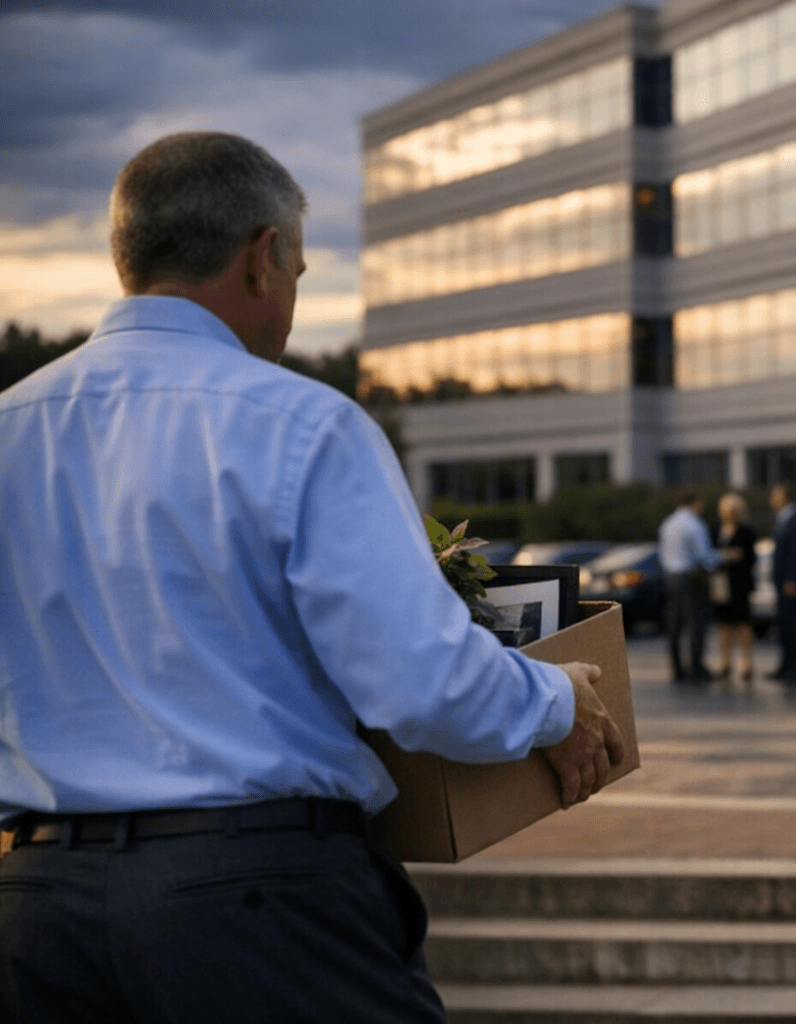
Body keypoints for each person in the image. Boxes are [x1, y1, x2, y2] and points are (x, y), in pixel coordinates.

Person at [0, 132, 624, 1024]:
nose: (292, 301)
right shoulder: (299, 425)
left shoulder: (12, 428)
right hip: (256, 907)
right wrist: (558, 702)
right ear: (262, 259)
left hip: (34, 905)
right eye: (297, 270)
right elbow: (422, 683)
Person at [658, 491, 721, 683]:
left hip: (670, 577)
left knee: (675, 625)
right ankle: (696, 667)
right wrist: (724, 557)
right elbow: (705, 556)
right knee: (695, 623)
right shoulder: (694, 524)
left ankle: (677, 668)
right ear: (694, 503)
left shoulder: (667, 524)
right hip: (690, 577)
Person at [768, 482, 796, 685]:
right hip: (782, 583)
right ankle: (786, 666)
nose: (771, 499)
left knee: (794, 626)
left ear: (785, 497)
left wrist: (793, 580)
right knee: (785, 626)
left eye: (775, 495)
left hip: (791, 584)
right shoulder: (783, 519)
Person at [712, 491, 759, 683]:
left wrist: (737, 556)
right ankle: (725, 661)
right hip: (721, 583)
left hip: (739, 583)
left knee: (742, 623)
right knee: (723, 624)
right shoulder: (716, 530)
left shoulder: (746, 532)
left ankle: (747, 662)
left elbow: (751, 557)